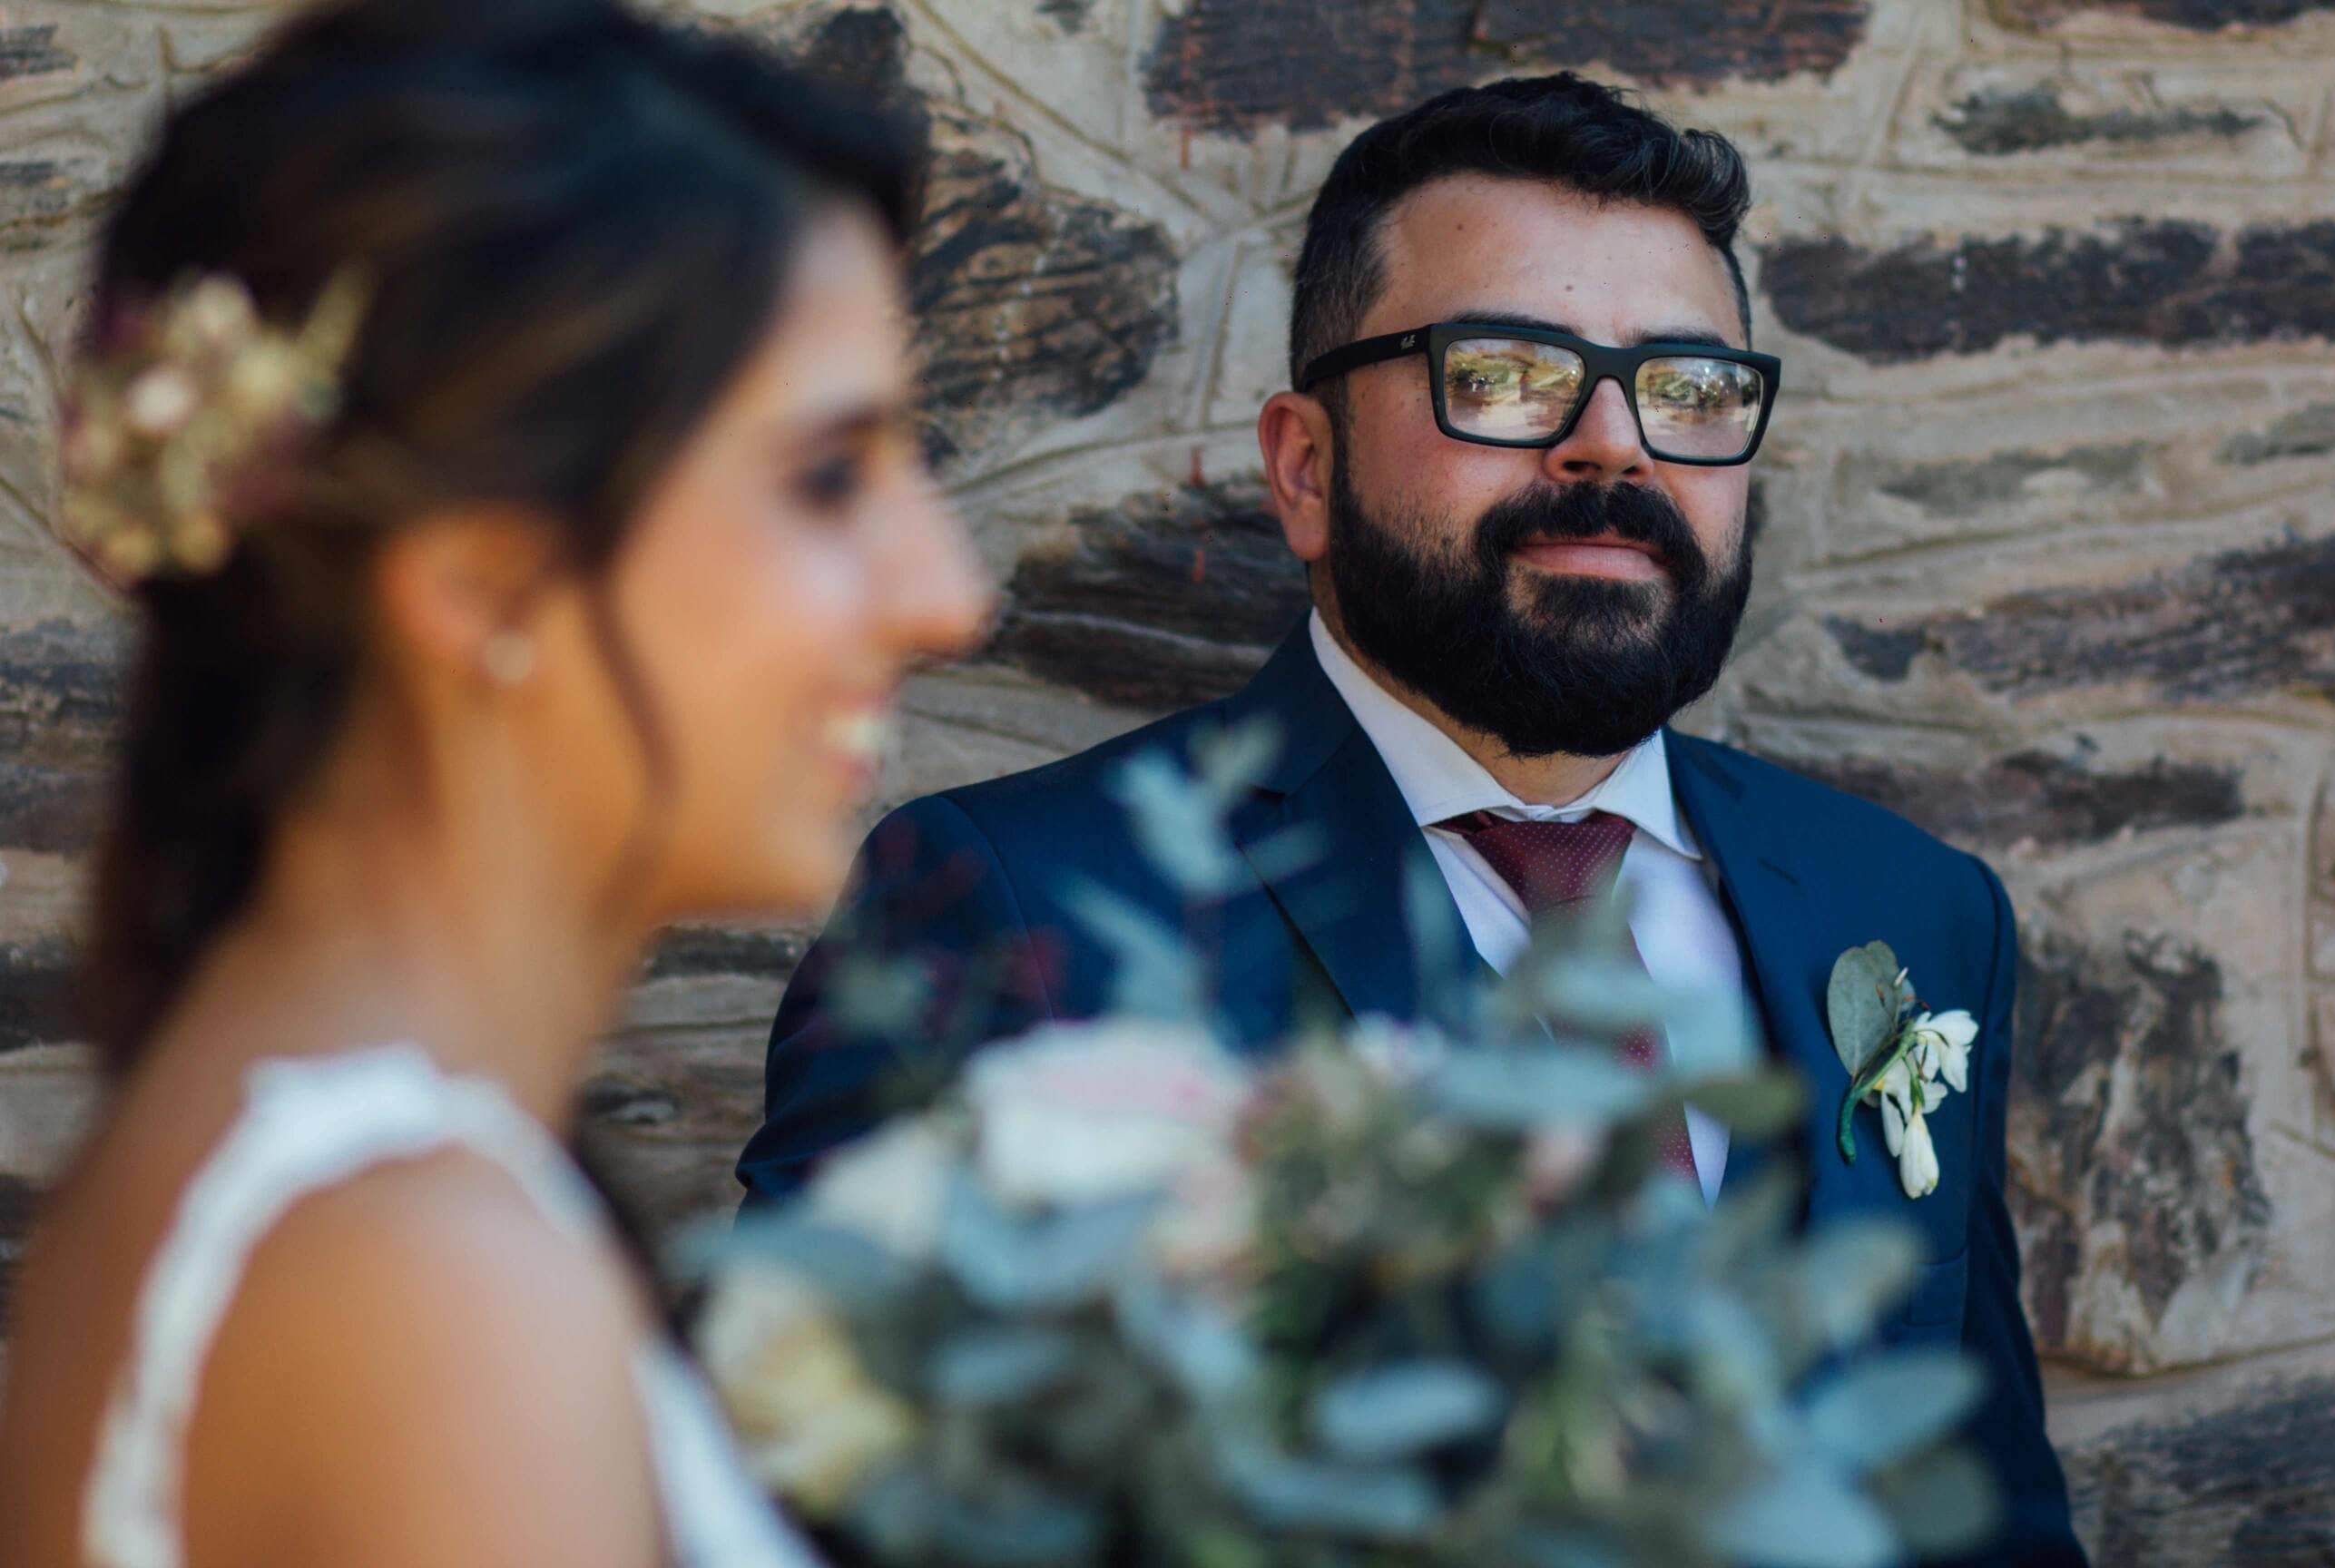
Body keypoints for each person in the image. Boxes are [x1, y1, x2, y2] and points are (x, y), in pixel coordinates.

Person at [742, 74, 2087, 1567]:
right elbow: (808, 1511)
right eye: (1503, 375)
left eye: (1690, 389)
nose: (1613, 447)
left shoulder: (1909, 907)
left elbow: (1989, 1514)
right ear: (1305, 468)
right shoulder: (1008, 902)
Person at [0, 2, 987, 1563]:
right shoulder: (425, 1280)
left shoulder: (330, 1184)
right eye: (825, 476)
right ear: (481, 584)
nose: (948, 598)